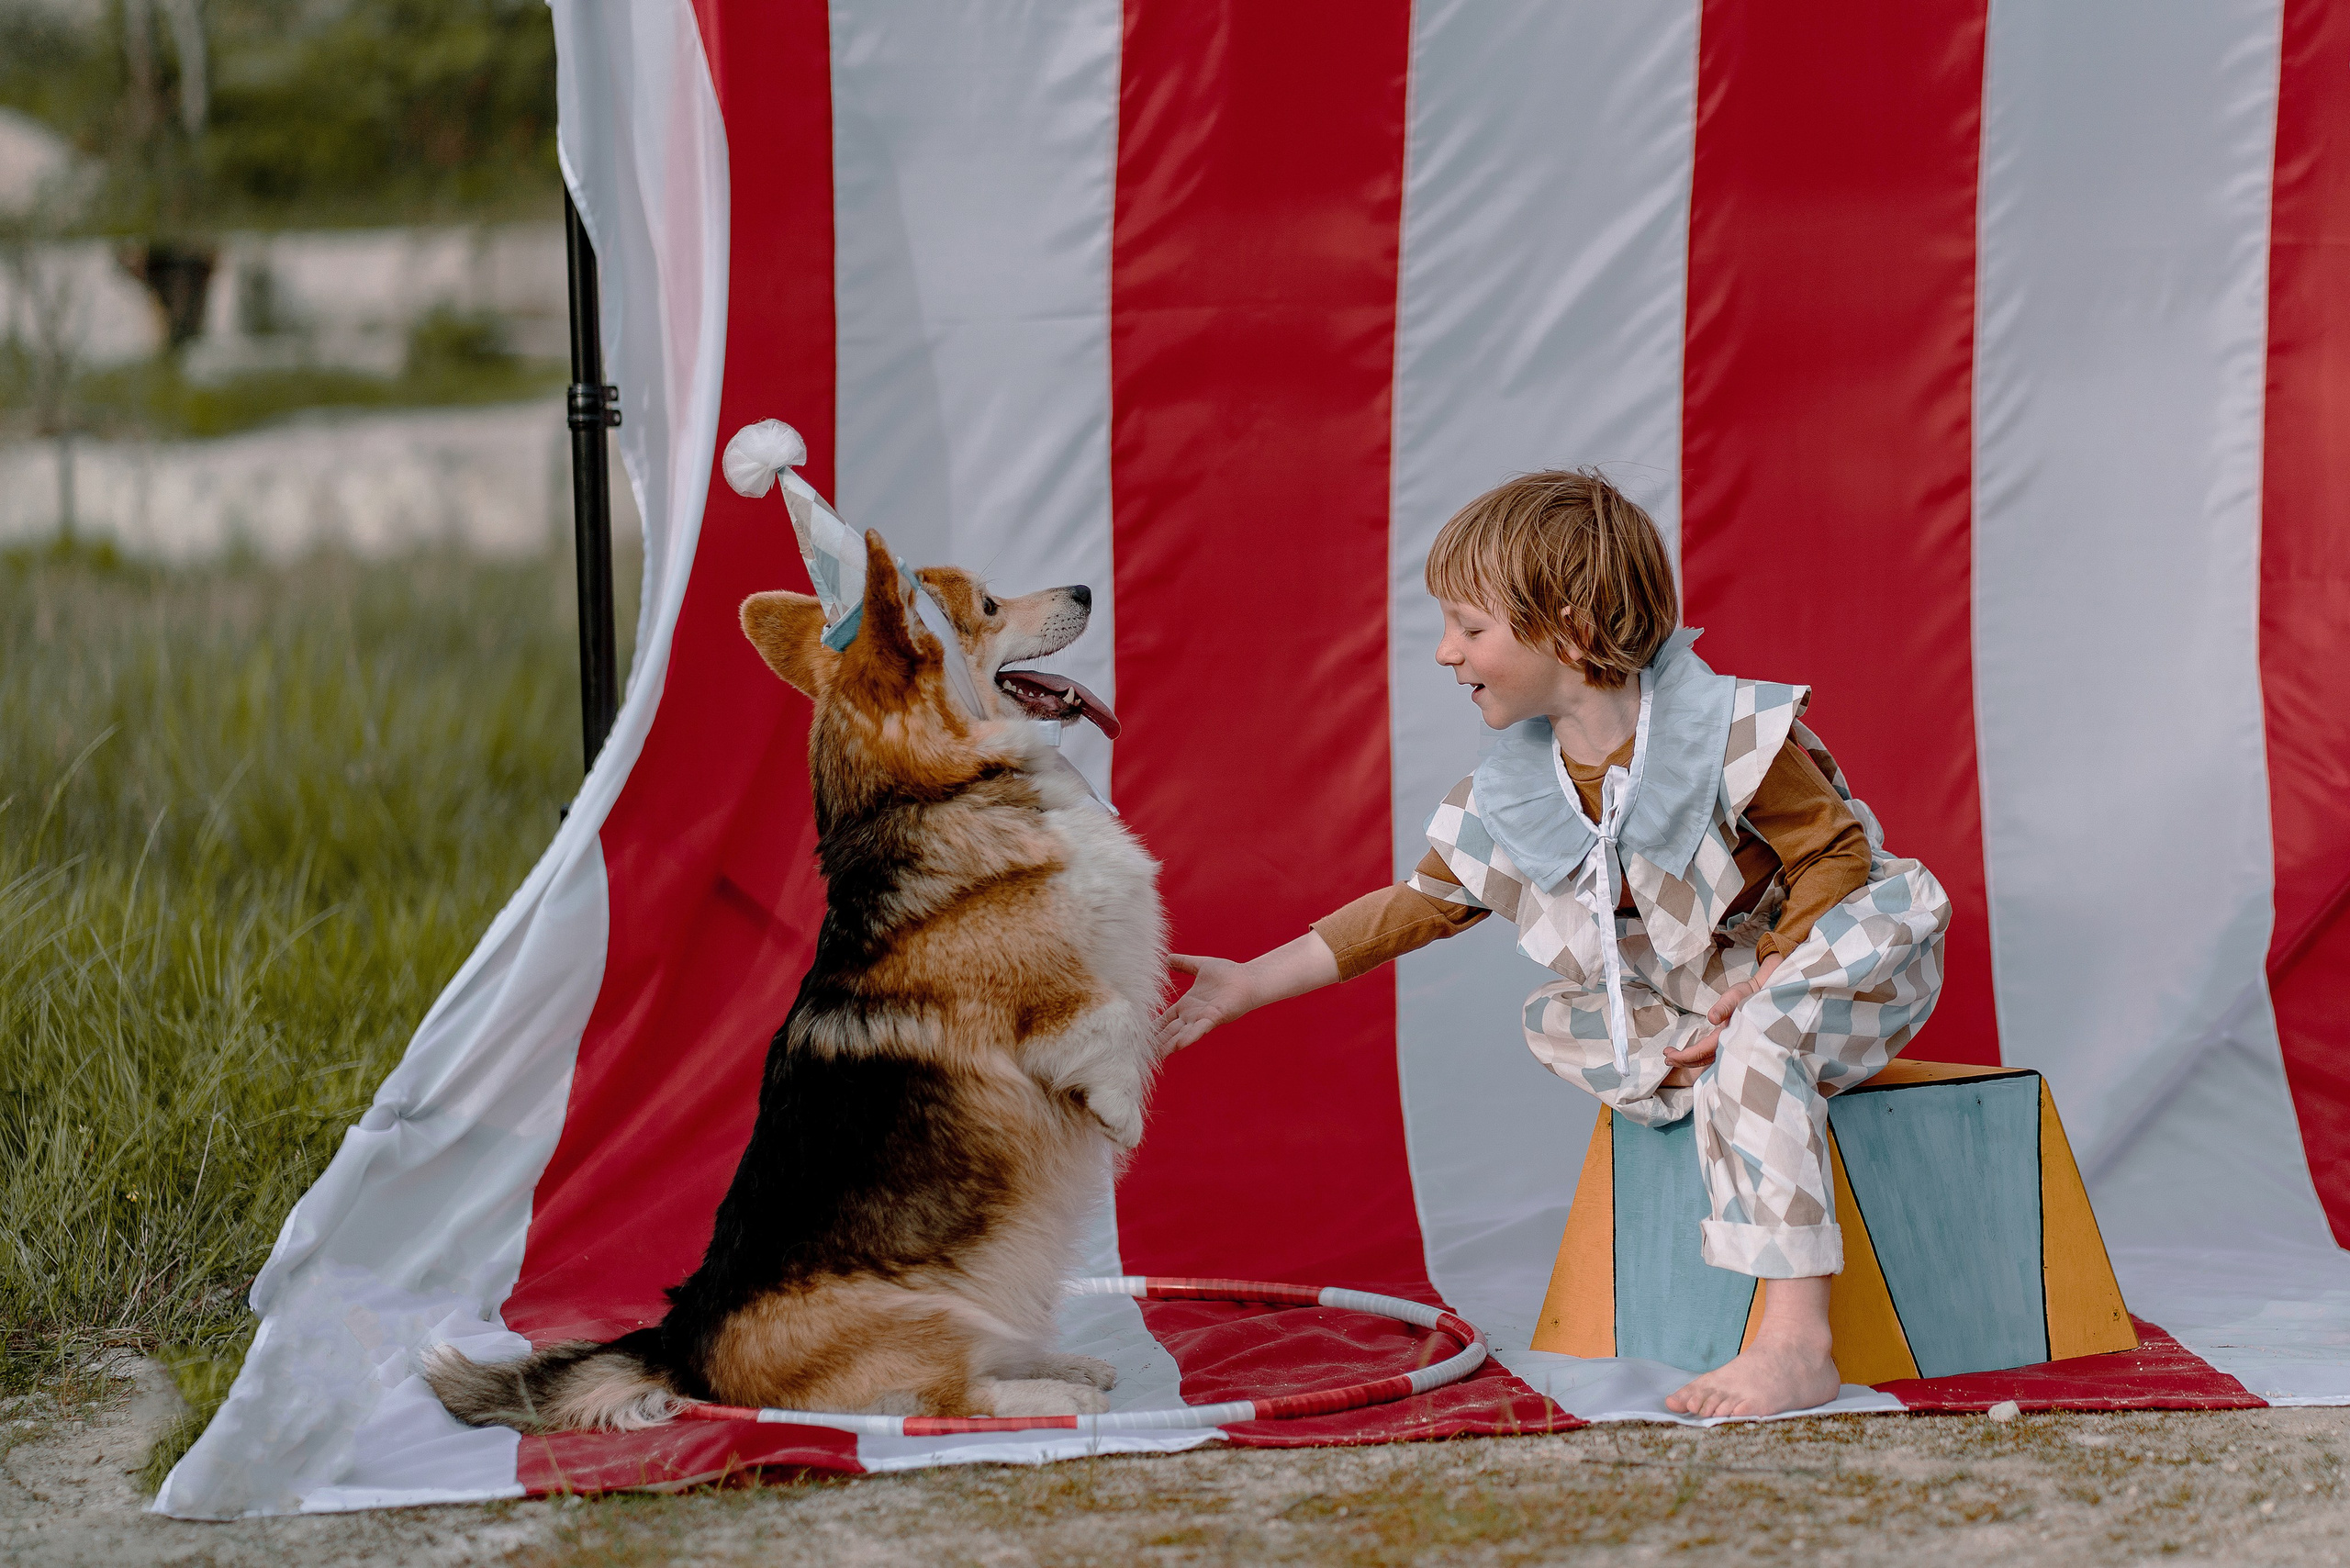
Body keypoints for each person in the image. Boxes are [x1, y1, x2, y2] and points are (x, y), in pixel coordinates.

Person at [1154, 470, 1951, 1417]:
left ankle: (1795, 1341)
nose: (1448, 653)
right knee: (1565, 1018)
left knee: (1763, 1038)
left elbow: (1833, 855)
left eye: (1469, 626)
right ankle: (1731, 1094)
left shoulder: (1725, 732)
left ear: (1567, 631)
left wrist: (1771, 974)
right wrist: (1247, 982)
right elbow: (1420, 903)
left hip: (1840, 954)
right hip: (1719, 981)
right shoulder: (1524, 790)